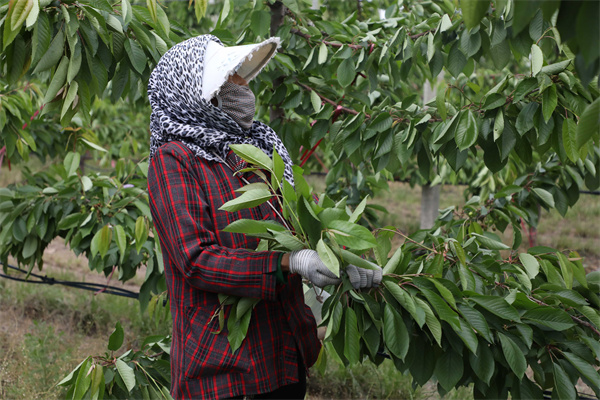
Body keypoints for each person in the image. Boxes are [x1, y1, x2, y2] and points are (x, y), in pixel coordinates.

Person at [147, 34, 382, 400]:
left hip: (284, 352)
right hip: (222, 366)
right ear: (195, 94)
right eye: (228, 78)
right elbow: (196, 259)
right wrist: (289, 262)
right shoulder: (175, 160)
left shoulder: (260, 147)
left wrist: (343, 260)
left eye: (241, 76)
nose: (242, 86)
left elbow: (303, 223)